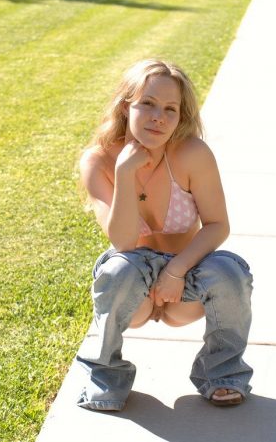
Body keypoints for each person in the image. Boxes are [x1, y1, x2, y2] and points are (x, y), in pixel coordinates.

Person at [76, 58, 253, 411]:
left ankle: (222, 375)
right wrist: (124, 173)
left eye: (170, 109)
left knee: (230, 272)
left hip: (186, 281)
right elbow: (124, 243)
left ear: (180, 116)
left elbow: (218, 224)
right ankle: (106, 379)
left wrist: (176, 270)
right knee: (117, 269)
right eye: (148, 104)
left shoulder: (192, 154)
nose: (159, 117)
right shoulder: (98, 161)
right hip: (134, 289)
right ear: (125, 106)